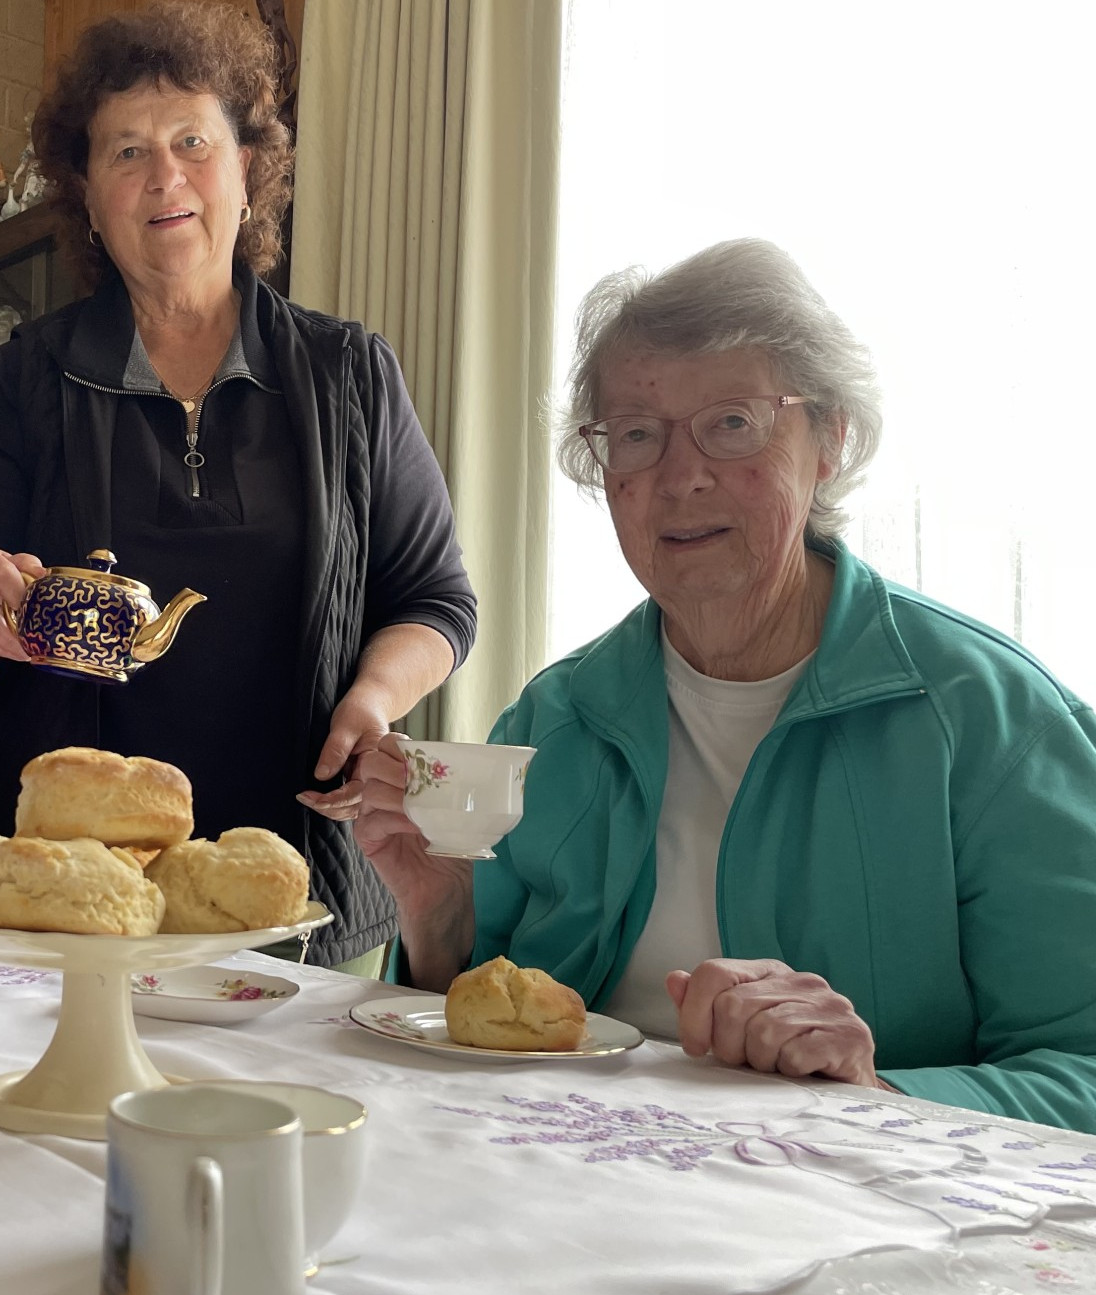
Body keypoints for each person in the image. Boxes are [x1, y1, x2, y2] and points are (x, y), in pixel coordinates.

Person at [349, 239, 1096, 1132]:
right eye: (636, 435)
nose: (680, 475)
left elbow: (1081, 1075)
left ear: (830, 440)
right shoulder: (557, 718)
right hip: (564, 1198)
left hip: (850, 1218)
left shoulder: (990, 721)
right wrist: (437, 923)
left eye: (733, 422)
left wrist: (877, 1093)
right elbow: (471, 1041)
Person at [0, 1, 476, 973]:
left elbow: (435, 601)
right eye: (123, 152)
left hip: (292, 892)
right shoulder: (23, 378)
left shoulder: (349, 375)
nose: (162, 174)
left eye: (190, 141)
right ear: (85, 195)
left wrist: (373, 697)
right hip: (65, 902)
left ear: (247, 167)